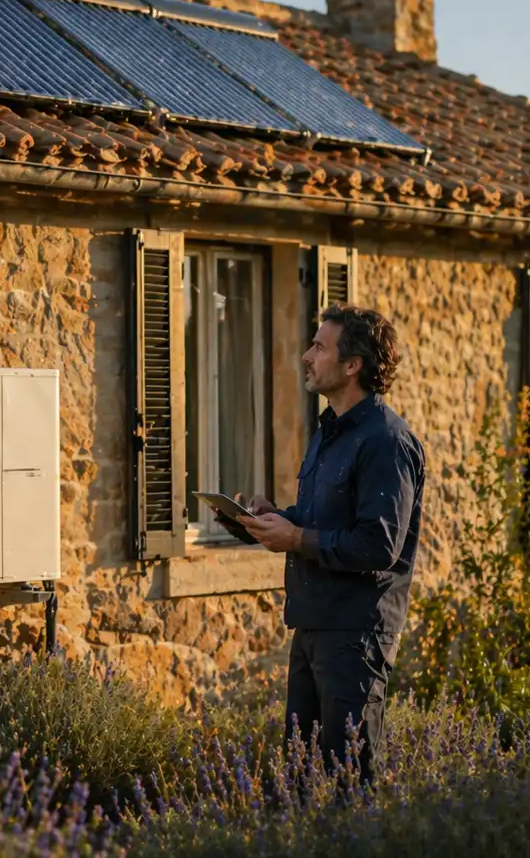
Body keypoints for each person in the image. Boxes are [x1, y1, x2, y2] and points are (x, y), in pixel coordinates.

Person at [212, 304, 425, 785]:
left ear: (352, 365)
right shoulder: (328, 433)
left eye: (319, 346)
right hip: (312, 626)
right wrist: (268, 520)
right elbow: (321, 523)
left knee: (349, 781)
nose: (307, 356)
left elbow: (378, 545)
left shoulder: (386, 442)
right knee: (302, 779)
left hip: (356, 635)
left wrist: (297, 537)